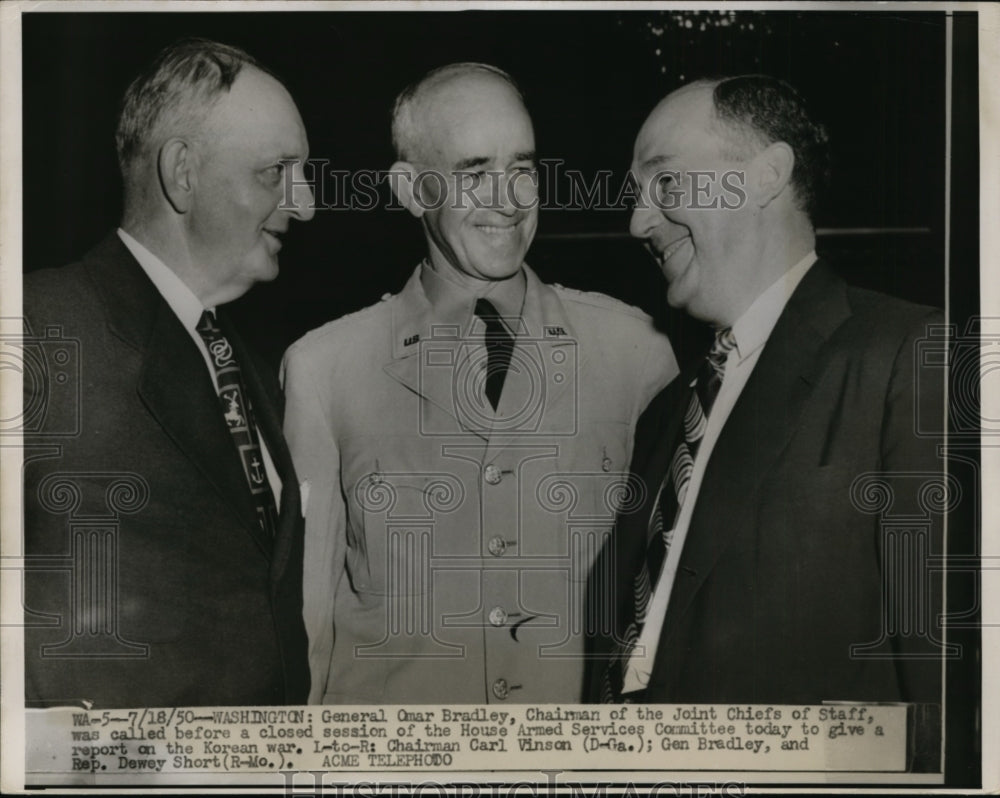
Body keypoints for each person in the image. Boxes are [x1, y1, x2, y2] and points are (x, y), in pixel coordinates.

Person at [282, 62, 678, 704]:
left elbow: (661, 609)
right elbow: (306, 627)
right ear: (411, 190)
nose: (510, 199)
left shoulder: (637, 352)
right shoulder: (323, 368)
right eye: (474, 172)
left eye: (522, 168)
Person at [588, 75, 945, 706]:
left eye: (665, 182)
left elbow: (946, 673)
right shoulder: (667, 414)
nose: (639, 221)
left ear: (766, 175)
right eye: (636, 195)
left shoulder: (908, 356)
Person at [22, 38, 315, 708]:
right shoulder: (38, 327)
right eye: (276, 172)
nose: (305, 205)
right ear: (182, 172)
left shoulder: (247, 362)